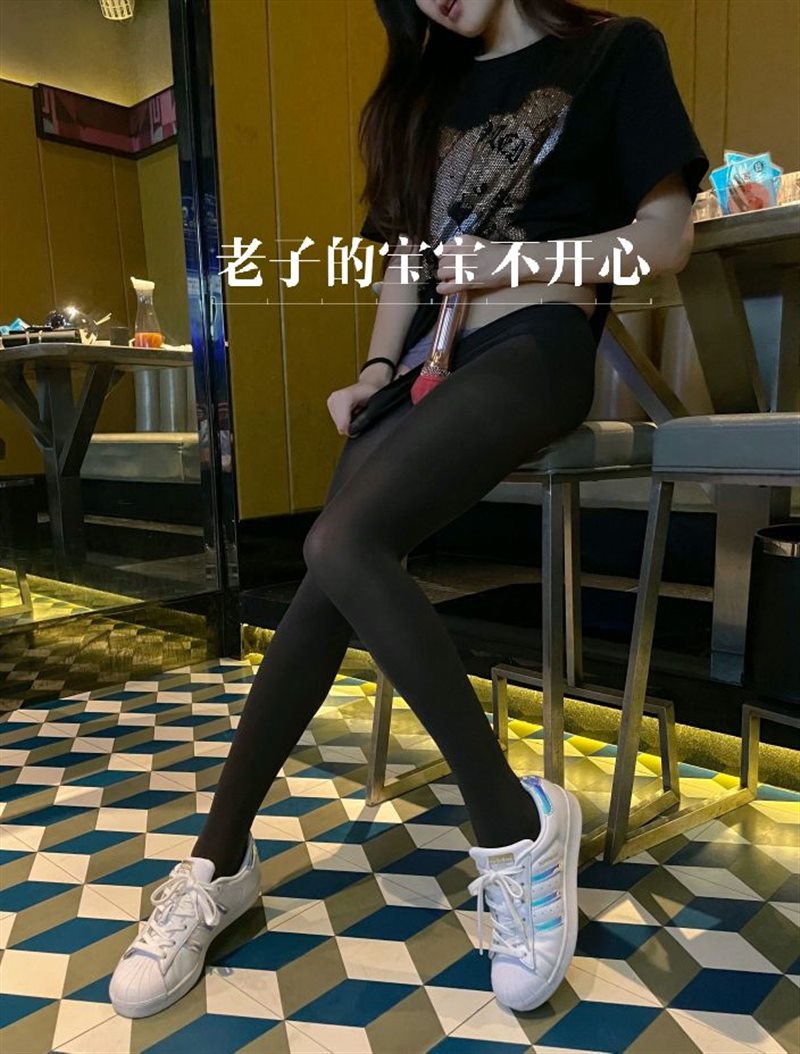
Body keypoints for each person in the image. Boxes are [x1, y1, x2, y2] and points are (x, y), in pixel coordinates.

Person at [109, 0, 709, 1020]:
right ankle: (217, 861)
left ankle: (512, 827)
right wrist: (374, 371)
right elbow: (404, 257)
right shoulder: (422, 95)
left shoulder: (614, 52)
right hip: (428, 364)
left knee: (340, 539)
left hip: (536, 345)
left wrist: (519, 261)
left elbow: (664, 241)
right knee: (330, 568)